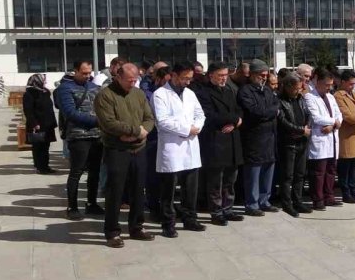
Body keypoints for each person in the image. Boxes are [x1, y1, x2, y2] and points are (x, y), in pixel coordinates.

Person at [94, 63, 156, 248]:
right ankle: (112, 231)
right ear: (118, 77)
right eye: (129, 80)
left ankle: (137, 227)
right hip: (116, 150)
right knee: (116, 191)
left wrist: (142, 131)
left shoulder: (138, 94)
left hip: (139, 148)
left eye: (135, 80)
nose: (132, 83)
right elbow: (108, 123)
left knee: (138, 190)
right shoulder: (105, 95)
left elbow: (149, 117)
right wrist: (135, 130)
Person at [152, 61, 207, 237]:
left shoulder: (190, 93)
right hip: (172, 147)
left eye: (190, 78)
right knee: (169, 189)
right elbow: (162, 121)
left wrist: (197, 127)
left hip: (191, 145)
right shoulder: (160, 94)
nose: (188, 82)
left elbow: (200, 114)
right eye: (185, 78)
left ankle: (190, 218)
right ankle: (168, 223)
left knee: (191, 187)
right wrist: (186, 129)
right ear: (173, 76)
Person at [197, 63, 244, 225]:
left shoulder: (229, 91)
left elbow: (238, 110)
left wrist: (236, 121)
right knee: (216, 181)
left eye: (225, 75)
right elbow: (210, 116)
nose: (224, 78)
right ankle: (216, 211)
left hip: (232, 139)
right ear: (211, 75)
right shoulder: (203, 93)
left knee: (231, 179)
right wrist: (233, 119)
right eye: (220, 75)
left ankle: (228, 208)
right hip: (216, 140)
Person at [56, 60, 104, 221]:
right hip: (78, 136)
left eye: (89, 72)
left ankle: (92, 203)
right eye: (84, 73)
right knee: (77, 171)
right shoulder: (65, 89)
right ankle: (72, 206)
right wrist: (97, 121)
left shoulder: (94, 87)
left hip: (97, 136)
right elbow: (70, 112)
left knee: (95, 172)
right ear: (75, 71)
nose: (87, 76)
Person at [238, 60, 281, 216]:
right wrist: (269, 113)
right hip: (254, 138)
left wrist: (268, 112)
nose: (264, 78)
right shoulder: (245, 91)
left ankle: (265, 200)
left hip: (270, 137)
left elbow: (277, 106)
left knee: (268, 171)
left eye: (266, 75)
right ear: (253, 74)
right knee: (253, 173)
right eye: (261, 75)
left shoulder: (268, 91)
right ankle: (252, 203)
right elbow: (255, 112)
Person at [304, 69, 342, 211]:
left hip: (332, 137)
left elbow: (339, 115)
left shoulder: (331, 97)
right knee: (318, 172)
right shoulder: (309, 97)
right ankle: (318, 199)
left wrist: (334, 125)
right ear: (317, 81)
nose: (329, 88)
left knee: (331, 170)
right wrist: (334, 122)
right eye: (326, 85)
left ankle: (329, 196)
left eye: (331, 85)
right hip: (319, 139)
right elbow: (316, 118)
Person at [276, 74, 311, 217]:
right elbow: (282, 121)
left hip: (302, 140)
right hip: (288, 142)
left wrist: (306, 128)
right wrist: (300, 130)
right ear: (288, 87)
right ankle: (287, 203)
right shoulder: (279, 100)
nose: (299, 91)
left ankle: (298, 200)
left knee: (300, 174)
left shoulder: (301, 98)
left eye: (300, 88)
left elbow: (308, 114)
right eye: (296, 88)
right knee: (287, 175)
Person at [335, 70, 355, 204]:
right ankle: (346, 192)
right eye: (350, 84)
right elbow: (346, 114)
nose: (353, 86)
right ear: (343, 82)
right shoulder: (338, 96)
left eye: (354, 84)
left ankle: (354, 190)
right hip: (347, 136)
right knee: (345, 167)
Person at [23, 73, 57, 174]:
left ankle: (45, 166)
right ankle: (39, 167)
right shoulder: (29, 94)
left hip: (48, 124)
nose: (45, 82)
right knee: (38, 147)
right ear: (37, 81)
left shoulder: (45, 92)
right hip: (38, 125)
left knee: (46, 146)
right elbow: (28, 110)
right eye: (43, 80)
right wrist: (34, 123)